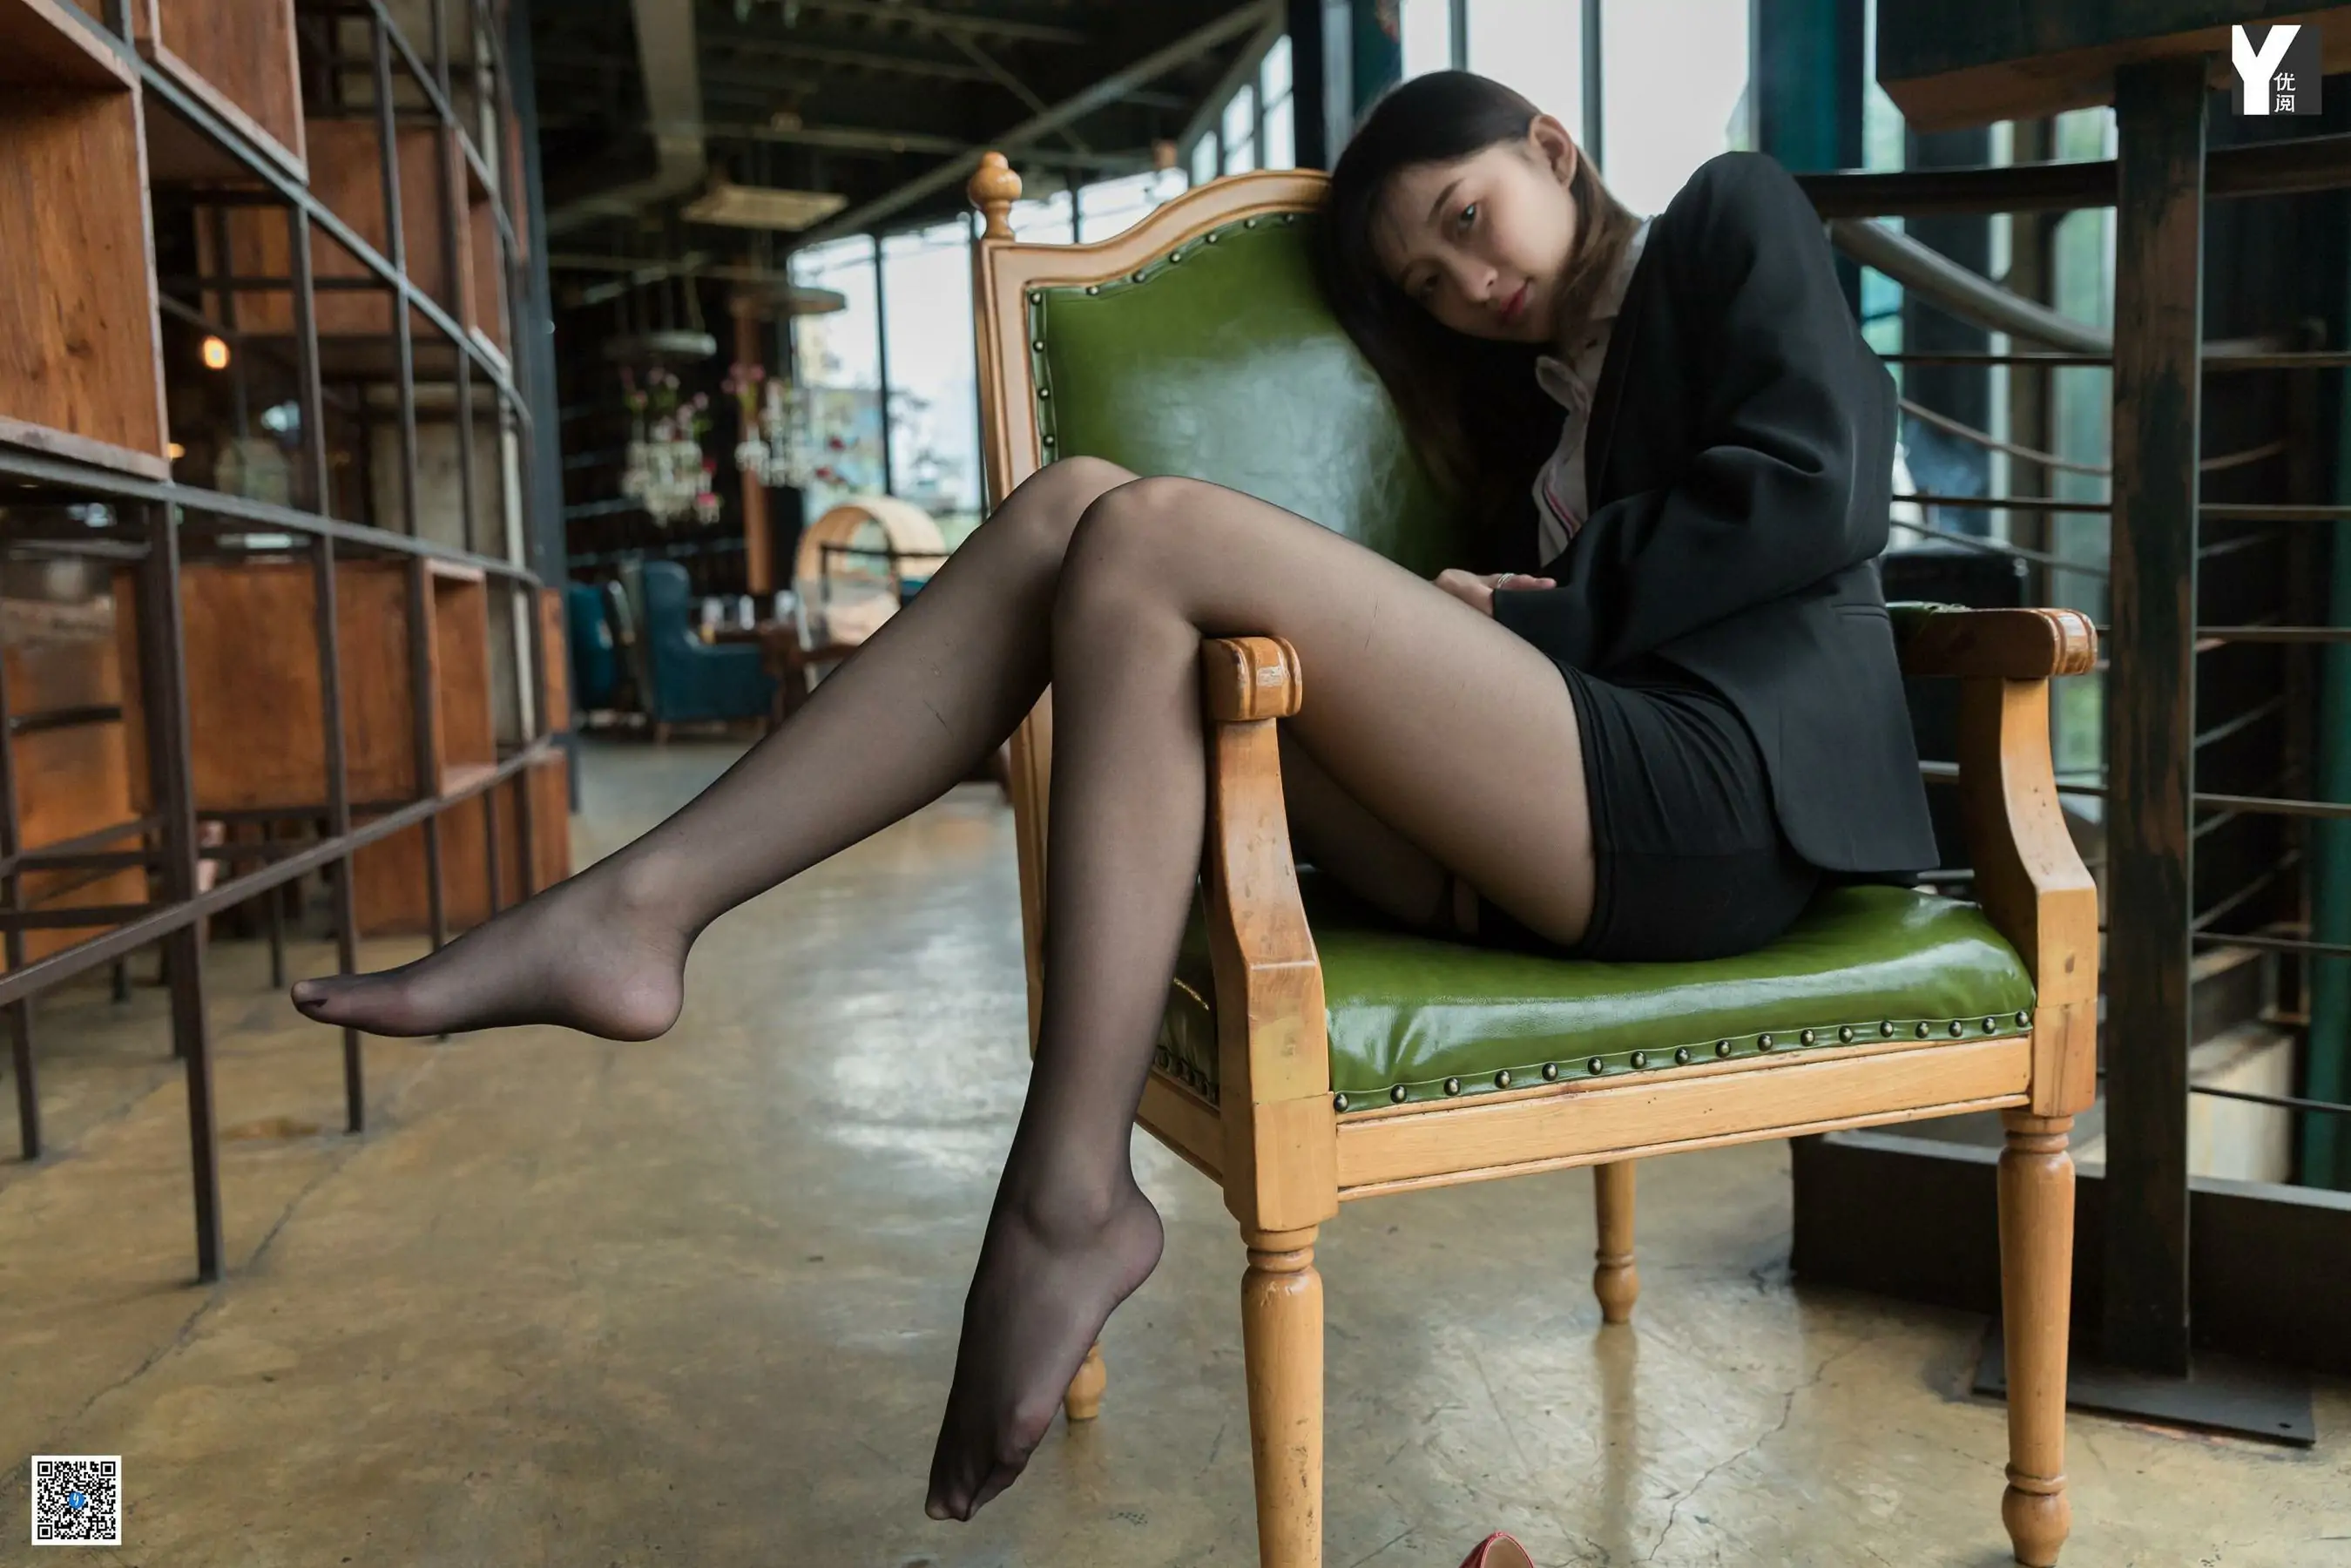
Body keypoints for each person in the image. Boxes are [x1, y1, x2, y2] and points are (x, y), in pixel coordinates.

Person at [290, 70, 1935, 1526]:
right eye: (1430, 284)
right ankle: (641, 906)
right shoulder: (1532, 397)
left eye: (1466, 220)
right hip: (1535, 825)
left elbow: (1819, 488)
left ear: (1552, 148)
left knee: (1141, 537)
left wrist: (1532, 615)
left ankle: (1062, 1195)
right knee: (1070, 507)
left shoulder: (1724, 218)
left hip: (1715, 797)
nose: (1470, 285)